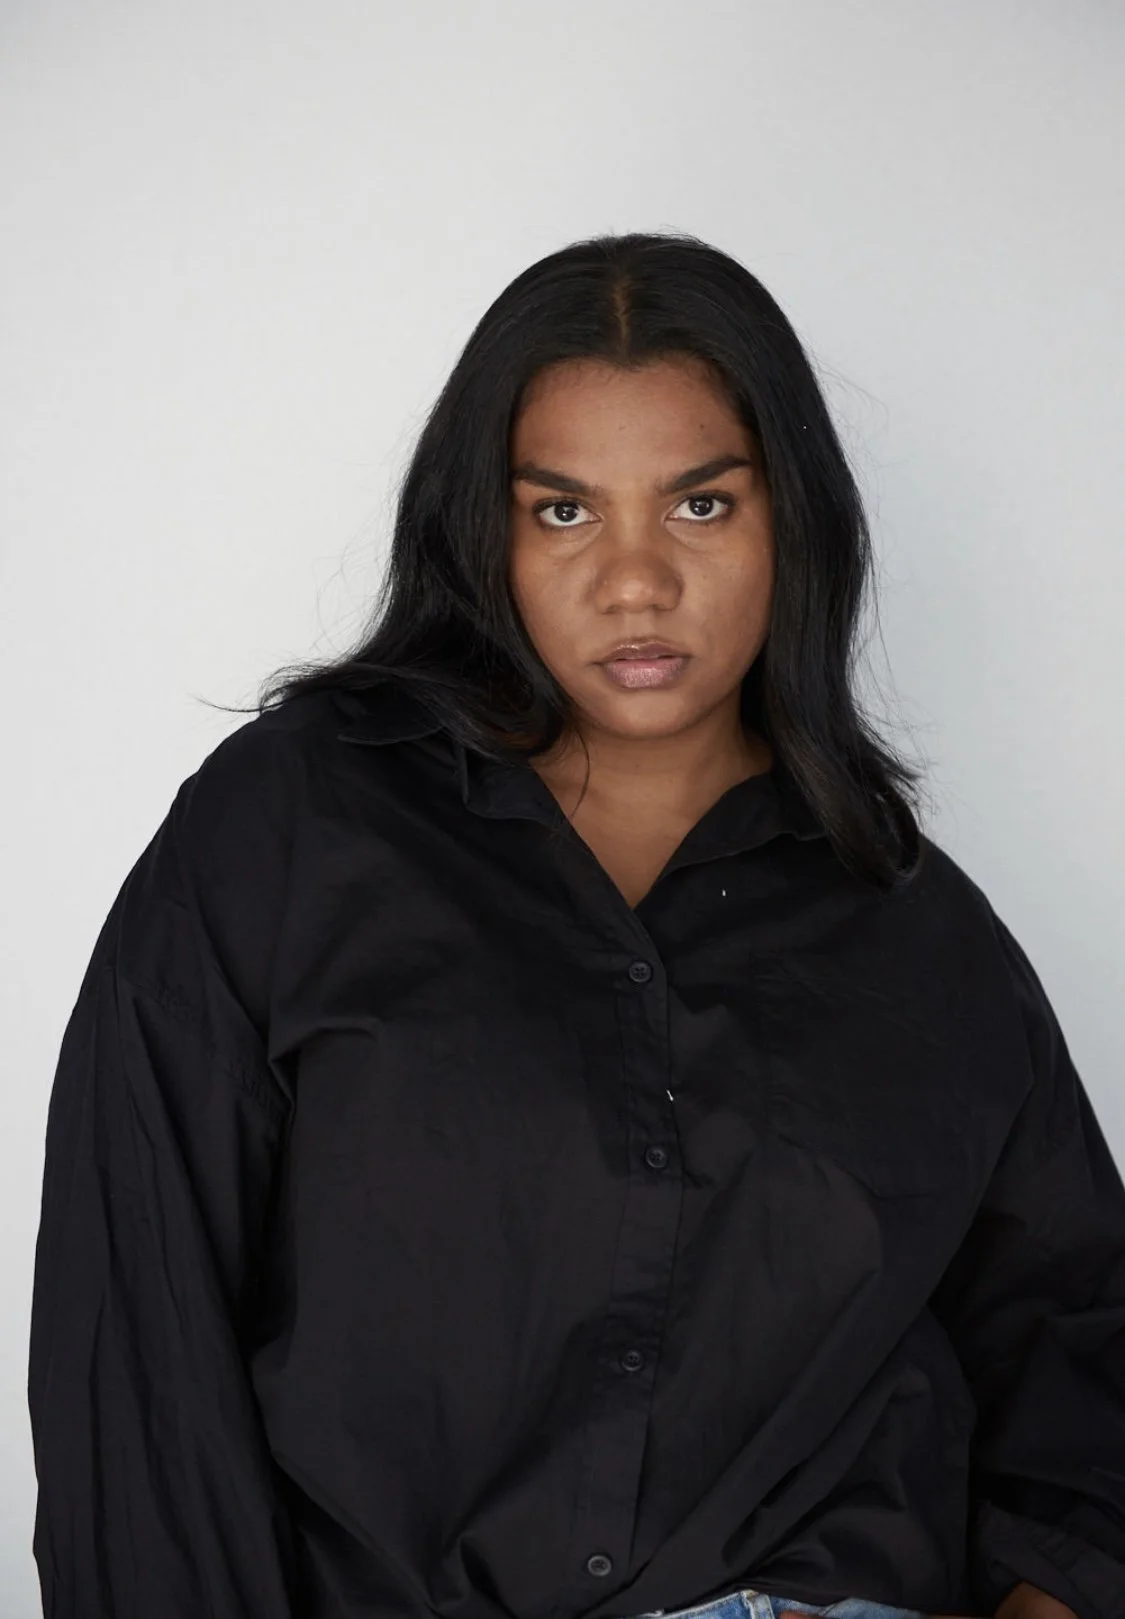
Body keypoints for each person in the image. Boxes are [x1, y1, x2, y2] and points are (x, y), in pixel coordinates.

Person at [27, 231, 1125, 1619]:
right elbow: (138, 1324)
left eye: (701, 504)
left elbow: (1082, 1361)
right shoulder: (294, 828)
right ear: (481, 531)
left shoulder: (920, 932)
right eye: (562, 512)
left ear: (794, 521)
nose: (635, 581)